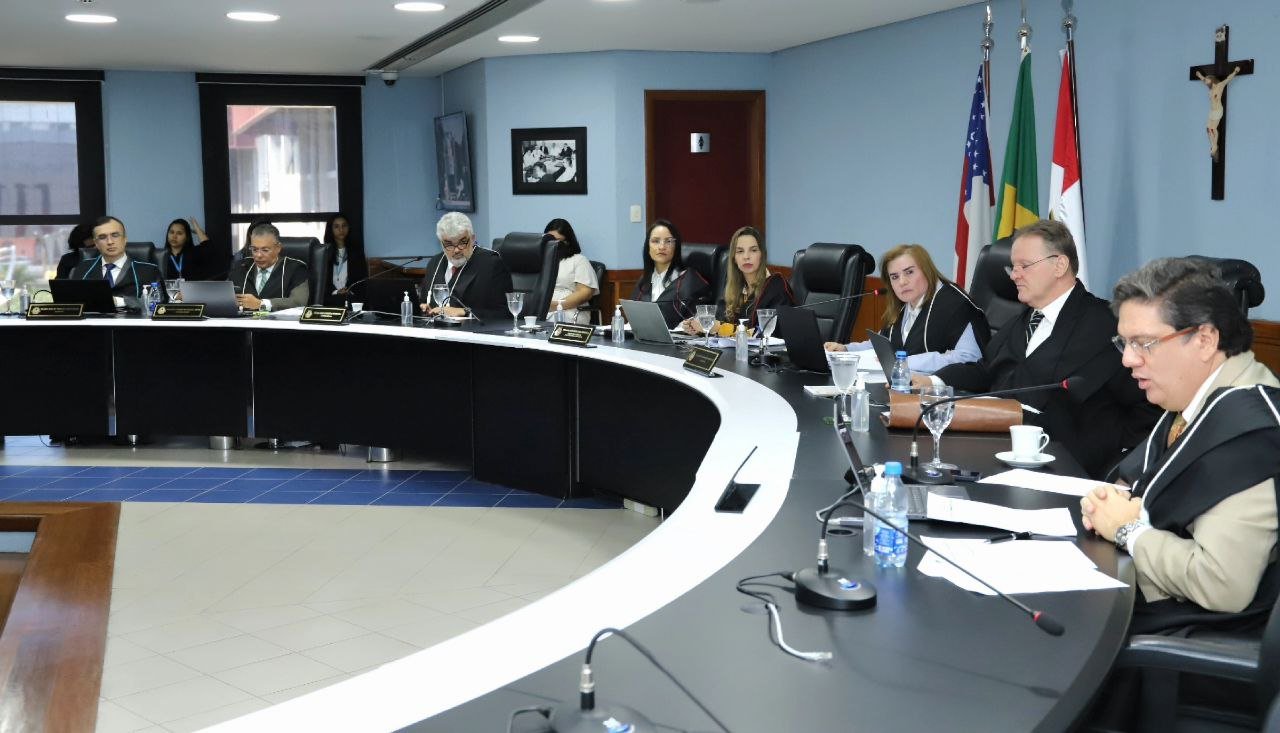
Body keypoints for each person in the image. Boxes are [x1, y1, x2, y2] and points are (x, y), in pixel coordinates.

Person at [1080, 258, 1279, 634]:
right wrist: (1107, 506)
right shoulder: (1192, 397)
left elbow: (1222, 584)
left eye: (1144, 343)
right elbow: (1134, 481)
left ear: (1205, 340)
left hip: (1194, 631)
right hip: (1146, 597)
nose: (1128, 359)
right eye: (1124, 342)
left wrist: (1126, 530)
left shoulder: (1250, 431)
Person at [926, 219, 1159, 477]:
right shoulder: (1020, 321)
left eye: (1024, 266)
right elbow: (987, 371)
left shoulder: (1106, 325)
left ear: (1059, 265)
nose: (1014, 275)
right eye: (1012, 267)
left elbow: (1148, 405)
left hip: (1066, 471)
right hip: (998, 456)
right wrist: (933, 382)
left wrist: (1117, 466)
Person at [824, 243, 988, 374]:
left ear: (927, 271)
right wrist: (847, 349)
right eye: (894, 277)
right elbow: (885, 345)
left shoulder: (956, 304)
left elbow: (970, 357)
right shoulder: (904, 305)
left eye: (909, 272)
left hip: (948, 395)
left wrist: (906, 362)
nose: (902, 282)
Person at [679, 225, 793, 335]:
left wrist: (719, 328)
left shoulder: (776, 287)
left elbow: (767, 335)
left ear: (762, 255)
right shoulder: (733, 288)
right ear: (734, 258)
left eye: (753, 250)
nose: (746, 256)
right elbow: (719, 323)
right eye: (740, 251)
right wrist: (699, 327)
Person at [419, 211, 513, 322]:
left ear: (472, 239)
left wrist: (465, 312)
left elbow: (506, 314)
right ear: (441, 243)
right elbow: (424, 302)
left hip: (473, 331)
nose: (456, 250)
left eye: (462, 243)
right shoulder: (435, 263)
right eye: (449, 244)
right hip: (434, 330)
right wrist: (425, 308)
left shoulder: (491, 264)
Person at [629, 219, 711, 327]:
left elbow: (699, 324)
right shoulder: (644, 280)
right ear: (647, 247)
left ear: (676, 246)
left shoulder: (690, 282)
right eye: (655, 241)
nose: (661, 247)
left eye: (668, 241)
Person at [69, 216, 164, 307]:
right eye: (102, 237)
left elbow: (160, 302)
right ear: (96, 243)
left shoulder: (149, 271)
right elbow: (71, 302)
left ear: (125, 239)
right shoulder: (82, 269)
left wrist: (120, 301)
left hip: (133, 318)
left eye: (115, 235)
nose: (110, 242)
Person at [226, 222, 309, 311]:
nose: (258, 255)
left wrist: (261, 304)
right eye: (254, 249)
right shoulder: (241, 267)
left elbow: (298, 302)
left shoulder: (295, 268)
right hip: (242, 319)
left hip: (278, 320)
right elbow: (222, 296)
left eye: (265, 250)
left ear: (278, 248)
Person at [543, 218, 598, 324]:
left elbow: (585, 293)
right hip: (541, 309)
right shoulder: (541, 261)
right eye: (550, 241)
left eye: (558, 241)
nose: (553, 245)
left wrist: (555, 305)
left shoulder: (579, 260)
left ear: (568, 241)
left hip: (570, 310)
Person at [321, 212, 368, 307]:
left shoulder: (356, 252)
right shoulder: (324, 252)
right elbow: (321, 281)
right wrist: (336, 292)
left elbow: (362, 279)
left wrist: (349, 291)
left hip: (351, 298)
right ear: (331, 229)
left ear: (349, 228)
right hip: (330, 299)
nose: (341, 229)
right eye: (336, 226)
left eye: (344, 226)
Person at [157, 217, 214, 282]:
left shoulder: (193, 253)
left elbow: (208, 248)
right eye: (171, 232)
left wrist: (197, 229)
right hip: (169, 288)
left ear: (187, 237)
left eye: (179, 233)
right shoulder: (161, 256)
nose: (174, 236)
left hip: (192, 288)